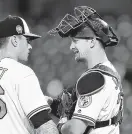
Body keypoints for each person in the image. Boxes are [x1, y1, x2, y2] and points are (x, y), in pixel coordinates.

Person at [0, 15, 59, 134]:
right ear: (15, 40)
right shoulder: (23, 73)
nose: (30, 46)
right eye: (27, 40)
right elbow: (46, 129)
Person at [47, 6, 124, 134]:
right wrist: (52, 105)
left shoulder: (94, 78)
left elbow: (74, 130)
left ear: (92, 41)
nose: (71, 47)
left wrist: (62, 122)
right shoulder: (110, 71)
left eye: (75, 41)